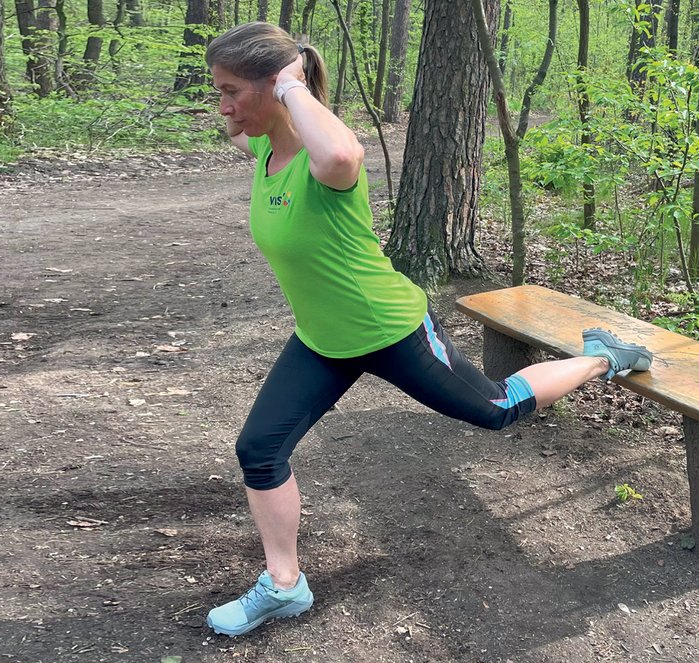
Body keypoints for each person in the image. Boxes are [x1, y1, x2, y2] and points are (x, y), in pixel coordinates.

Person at [203, 21, 653, 638]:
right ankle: (284, 586)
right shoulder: (267, 151)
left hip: (390, 328)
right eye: (217, 89)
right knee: (259, 450)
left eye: (232, 90)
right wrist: (256, 106)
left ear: (281, 88)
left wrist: (290, 86)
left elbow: (340, 152)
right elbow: (253, 128)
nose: (222, 104)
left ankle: (603, 356)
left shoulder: (325, 163)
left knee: (496, 409)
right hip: (323, 340)